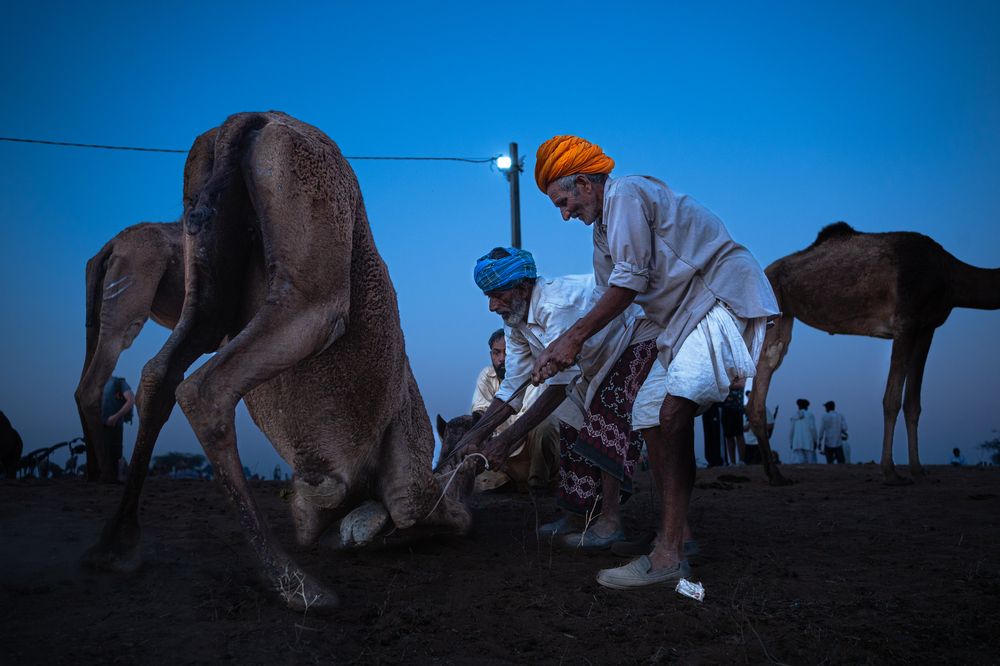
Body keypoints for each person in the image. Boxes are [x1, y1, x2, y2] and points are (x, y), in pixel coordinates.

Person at [530, 136, 779, 589]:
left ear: (585, 183)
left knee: (670, 413)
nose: (565, 214)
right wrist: (565, 358)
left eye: (563, 202)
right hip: (679, 321)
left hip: (717, 296)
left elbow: (628, 284)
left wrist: (571, 338)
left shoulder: (625, 193)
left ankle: (666, 557)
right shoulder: (603, 234)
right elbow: (619, 304)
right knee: (649, 416)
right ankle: (678, 538)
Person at [466, 246, 667, 549]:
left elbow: (559, 386)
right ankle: (580, 514)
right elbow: (512, 388)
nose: (493, 306)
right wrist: (474, 436)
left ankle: (611, 522)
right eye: (488, 297)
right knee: (571, 421)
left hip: (635, 336)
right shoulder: (516, 323)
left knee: (606, 411)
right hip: (593, 362)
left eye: (497, 295)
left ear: (521, 288)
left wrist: (505, 441)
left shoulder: (555, 305)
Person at [470, 328, 560, 492]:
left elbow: (530, 423)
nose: (501, 359)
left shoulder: (536, 376)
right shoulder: (486, 376)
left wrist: (503, 446)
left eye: (507, 352)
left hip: (528, 453)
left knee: (546, 424)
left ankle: (537, 483)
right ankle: (503, 482)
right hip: (501, 459)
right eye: (496, 353)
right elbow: (480, 417)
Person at [101, 376, 134, 481]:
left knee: (115, 454)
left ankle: (119, 477)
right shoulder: (96, 382)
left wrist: (115, 417)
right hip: (98, 426)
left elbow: (130, 400)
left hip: (114, 424)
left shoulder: (117, 382)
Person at [743, 392, 775, 465]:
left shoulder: (764, 409)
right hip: (747, 443)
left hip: (760, 442)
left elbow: (770, 425)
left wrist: (758, 425)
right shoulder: (744, 410)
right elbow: (741, 429)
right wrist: (750, 425)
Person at [721, 379, 747, 465]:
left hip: (737, 407)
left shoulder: (739, 371)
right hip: (725, 408)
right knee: (729, 436)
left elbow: (741, 384)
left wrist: (726, 385)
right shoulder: (724, 372)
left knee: (739, 434)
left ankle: (741, 461)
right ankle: (732, 462)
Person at [789, 398, 818, 463]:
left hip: (797, 443)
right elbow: (812, 429)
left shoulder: (794, 417)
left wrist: (791, 442)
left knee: (799, 464)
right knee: (810, 463)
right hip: (808, 442)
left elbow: (791, 431)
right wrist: (815, 440)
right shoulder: (810, 415)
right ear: (806, 406)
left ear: (798, 406)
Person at [701, 402, 725, 467]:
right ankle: (710, 460)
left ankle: (718, 459)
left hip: (715, 408)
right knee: (707, 435)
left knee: (716, 435)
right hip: (705, 409)